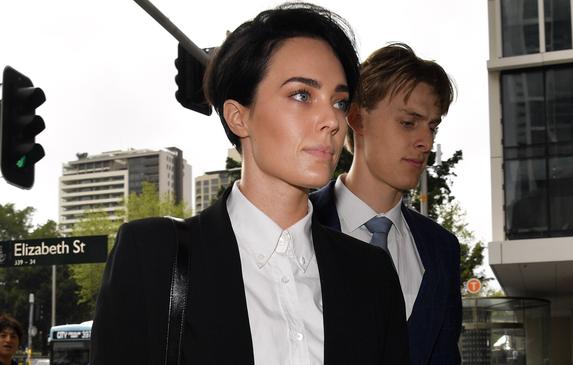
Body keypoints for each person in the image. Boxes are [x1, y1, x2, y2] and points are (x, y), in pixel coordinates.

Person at [90, 3, 409, 364]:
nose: (332, 120)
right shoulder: (152, 255)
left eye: (339, 102)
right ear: (239, 117)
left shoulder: (372, 275)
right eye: (302, 95)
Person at [310, 43, 462, 365]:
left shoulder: (442, 249)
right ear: (357, 118)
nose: (426, 141)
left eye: (432, 126)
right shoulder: (298, 225)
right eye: (409, 122)